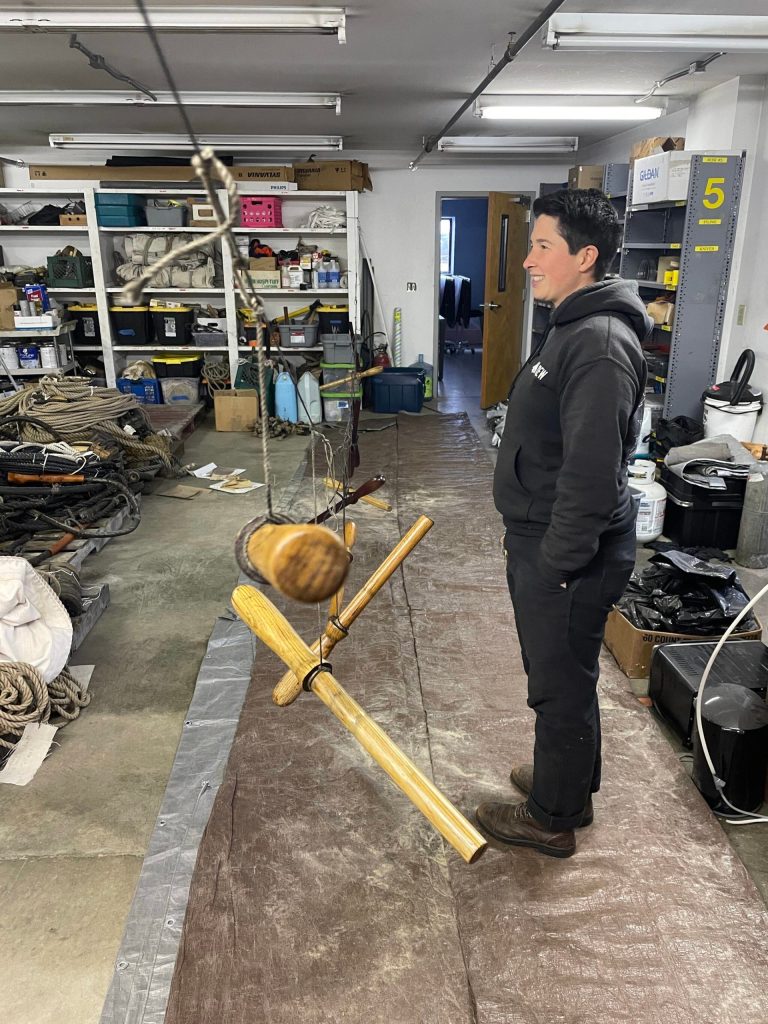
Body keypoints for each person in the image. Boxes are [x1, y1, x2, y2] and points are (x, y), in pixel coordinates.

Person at [476, 188, 650, 858]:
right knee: (564, 675)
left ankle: (552, 819)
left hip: (566, 552)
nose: (527, 261)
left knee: (558, 683)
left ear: (586, 255)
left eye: (542, 246)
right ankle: (568, 784)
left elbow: (591, 476)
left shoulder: (599, 344)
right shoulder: (573, 325)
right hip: (547, 539)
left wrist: (555, 567)